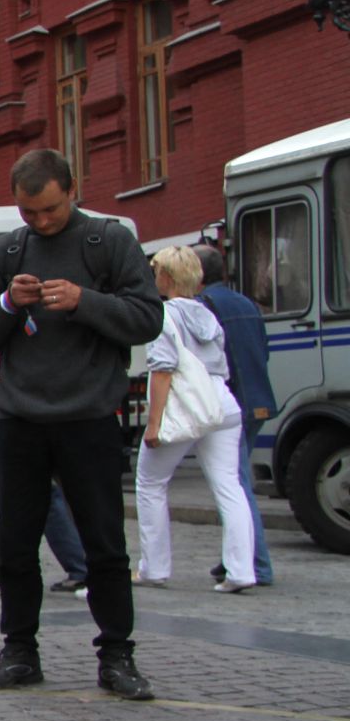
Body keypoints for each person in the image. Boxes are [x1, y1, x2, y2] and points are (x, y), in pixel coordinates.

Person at [0, 148, 163, 700]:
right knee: (17, 544)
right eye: (29, 213)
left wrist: (83, 301)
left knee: (104, 545)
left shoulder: (110, 241)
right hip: (21, 418)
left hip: (90, 416)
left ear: (72, 190)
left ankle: (117, 656)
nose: (41, 222)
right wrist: (7, 302)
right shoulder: (8, 250)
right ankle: (19, 651)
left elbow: (148, 319)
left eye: (49, 210)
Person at [134, 246, 256, 593]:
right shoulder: (208, 315)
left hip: (185, 408)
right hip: (221, 406)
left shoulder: (162, 316)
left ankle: (154, 568)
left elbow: (162, 371)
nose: (154, 276)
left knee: (151, 482)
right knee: (229, 486)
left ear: (167, 277)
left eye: (156, 270)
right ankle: (241, 570)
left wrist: (153, 423)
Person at [0, 345, 90, 597]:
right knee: (22, 497)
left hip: (31, 429)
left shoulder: (32, 342)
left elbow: (8, 382)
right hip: (36, 427)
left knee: (10, 496)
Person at [195, 243, 276, 587]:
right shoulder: (245, 302)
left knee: (235, 486)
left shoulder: (202, 307)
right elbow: (264, 349)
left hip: (229, 404)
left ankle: (255, 564)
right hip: (257, 397)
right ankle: (239, 556)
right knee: (237, 483)